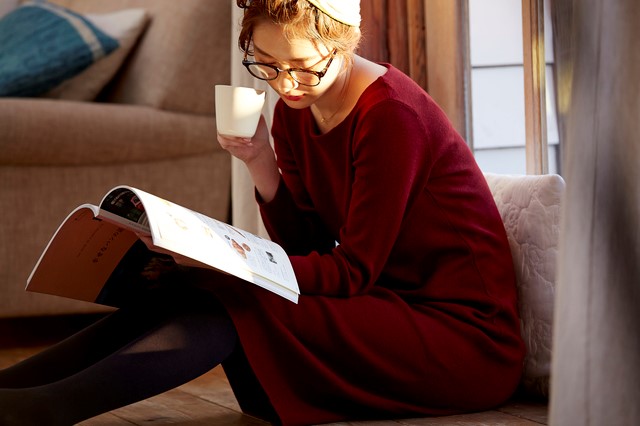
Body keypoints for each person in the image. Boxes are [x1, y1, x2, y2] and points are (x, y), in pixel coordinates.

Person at [0, 1, 525, 425]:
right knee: (193, 287)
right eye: (268, 66)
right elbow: (311, 250)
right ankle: (17, 390)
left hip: (461, 338)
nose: (286, 84)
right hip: (384, 306)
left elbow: (353, 270)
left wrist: (235, 264)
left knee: (236, 297)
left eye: (303, 67)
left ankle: (43, 410)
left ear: (344, 43)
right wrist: (259, 161)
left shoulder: (391, 117)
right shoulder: (294, 110)